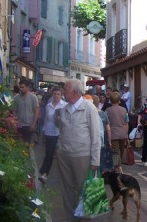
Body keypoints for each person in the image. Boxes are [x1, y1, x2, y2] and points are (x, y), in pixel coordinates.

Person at [56, 79, 101, 221]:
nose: (63, 93)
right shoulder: (64, 109)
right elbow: (62, 132)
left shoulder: (89, 108)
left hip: (82, 155)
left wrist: (95, 160)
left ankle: (86, 218)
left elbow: (96, 136)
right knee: (67, 189)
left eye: (65, 90)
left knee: (85, 188)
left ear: (74, 92)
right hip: (64, 154)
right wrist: (59, 149)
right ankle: (71, 217)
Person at [38, 87, 67, 184]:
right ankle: (44, 173)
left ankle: (47, 174)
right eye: (54, 94)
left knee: (57, 155)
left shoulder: (64, 106)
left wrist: (60, 120)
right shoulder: (48, 105)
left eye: (58, 94)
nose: (56, 96)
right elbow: (46, 119)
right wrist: (44, 130)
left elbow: (67, 122)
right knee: (48, 154)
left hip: (59, 134)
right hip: (49, 132)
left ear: (61, 95)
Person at [106, 91, 129, 173]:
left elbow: (107, 123)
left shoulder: (107, 111)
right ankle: (119, 167)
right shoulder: (124, 110)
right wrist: (127, 135)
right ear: (119, 100)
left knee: (115, 152)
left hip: (113, 134)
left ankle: (117, 167)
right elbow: (127, 123)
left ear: (110, 100)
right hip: (123, 133)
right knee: (121, 151)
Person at [14, 79, 39, 145]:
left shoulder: (33, 97)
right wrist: (14, 122)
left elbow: (36, 111)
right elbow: (14, 111)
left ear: (27, 87)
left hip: (29, 125)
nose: (21, 89)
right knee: (19, 144)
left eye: (22, 87)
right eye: (20, 87)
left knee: (27, 144)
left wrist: (33, 124)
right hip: (19, 125)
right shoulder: (16, 98)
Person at [92, 95, 113, 172]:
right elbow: (108, 129)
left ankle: (91, 176)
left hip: (91, 138)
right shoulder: (104, 114)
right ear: (98, 103)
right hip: (102, 138)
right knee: (101, 158)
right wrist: (110, 142)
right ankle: (100, 176)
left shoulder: (89, 113)